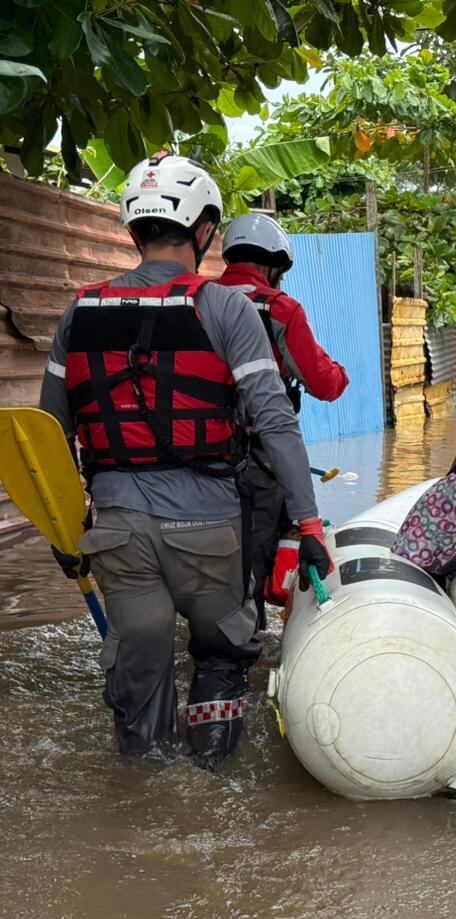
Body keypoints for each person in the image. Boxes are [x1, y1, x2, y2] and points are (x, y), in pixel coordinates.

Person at [39, 153, 332, 769]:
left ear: (132, 229)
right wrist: (308, 525)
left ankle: (145, 787)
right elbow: (275, 422)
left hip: (116, 529)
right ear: (203, 231)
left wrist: (69, 531)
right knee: (222, 652)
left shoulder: (79, 311)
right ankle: (210, 774)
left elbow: (48, 434)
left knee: (139, 657)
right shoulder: (225, 307)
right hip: (207, 528)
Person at [217, 213, 349, 629]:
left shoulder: (196, 300)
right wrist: (337, 370)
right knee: (251, 573)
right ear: (275, 266)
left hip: (191, 460)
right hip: (257, 461)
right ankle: (245, 664)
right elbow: (326, 384)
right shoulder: (278, 309)